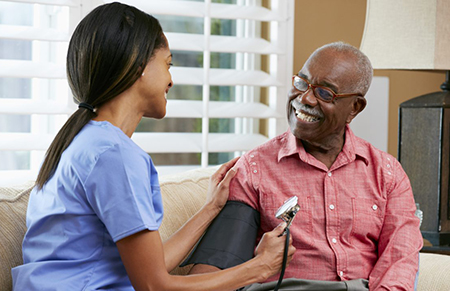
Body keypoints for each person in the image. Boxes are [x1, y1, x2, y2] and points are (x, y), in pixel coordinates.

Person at [11, 3, 296, 290]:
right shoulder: (114, 155)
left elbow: (152, 266)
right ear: (138, 65)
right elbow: (154, 286)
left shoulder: (82, 142)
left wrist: (210, 207)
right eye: (167, 64)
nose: (171, 80)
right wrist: (258, 269)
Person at [188, 42, 423, 290]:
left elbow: (401, 260)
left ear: (355, 107)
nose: (305, 98)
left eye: (324, 93)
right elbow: (215, 267)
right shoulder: (255, 168)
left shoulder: (387, 173)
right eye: (301, 83)